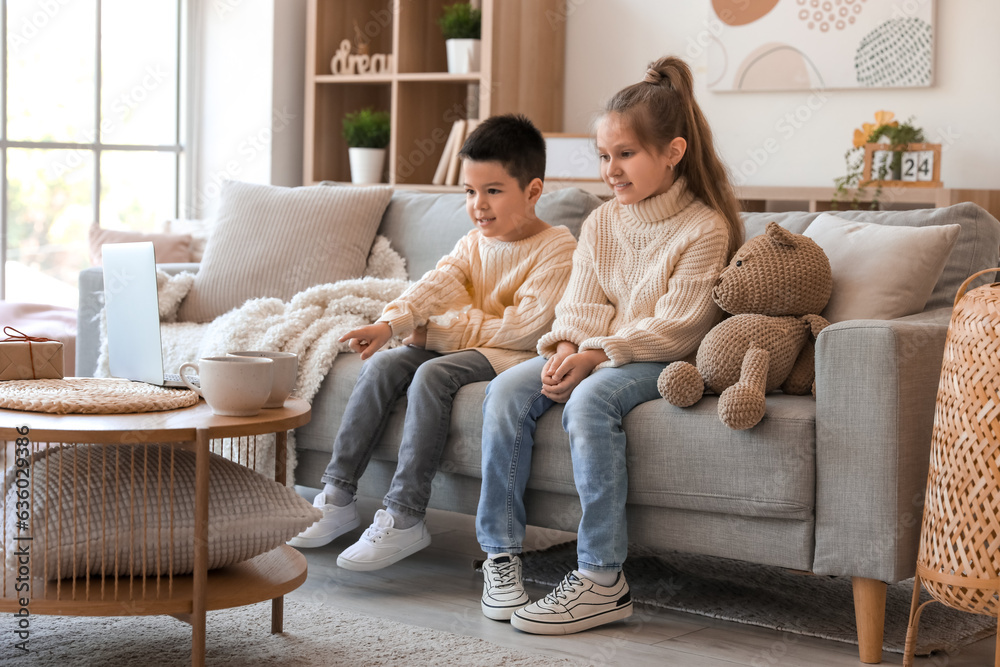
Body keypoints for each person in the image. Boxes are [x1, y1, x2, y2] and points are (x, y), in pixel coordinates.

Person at [475, 56, 744, 633]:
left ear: (672, 152)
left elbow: (681, 326)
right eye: (604, 156)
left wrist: (595, 355)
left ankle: (602, 579)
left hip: (659, 359)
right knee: (503, 391)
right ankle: (501, 557)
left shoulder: (705, 227)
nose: (611, 170)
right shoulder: (600, 223)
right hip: (594, 350)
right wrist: (566, 347)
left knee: (590, 400)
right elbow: (579, 304)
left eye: (625, 154)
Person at [288, 114, 578, 573]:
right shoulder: (473, 242)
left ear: (533, 191)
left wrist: (436, 332)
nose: (478, 205)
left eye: (493, 191)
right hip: (467, 342)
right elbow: (436, 284)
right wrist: (391, 324)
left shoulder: (557, 248)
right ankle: (338, 497)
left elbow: (525, 328)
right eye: (469, 191)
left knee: (432, 373)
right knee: (382, 366)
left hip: (510, 355)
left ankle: (405, 516)